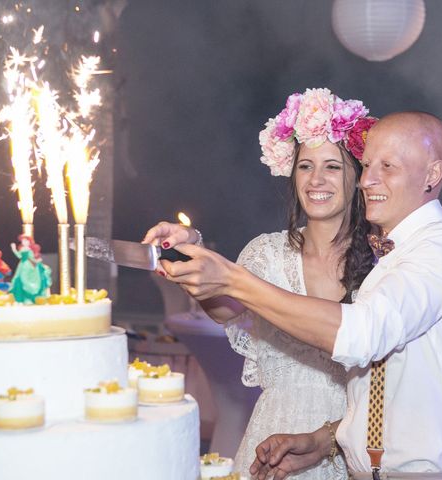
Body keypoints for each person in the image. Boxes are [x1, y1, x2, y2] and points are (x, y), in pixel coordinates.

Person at [154, 111, 442, 480]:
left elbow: (362, 334)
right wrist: (325, 439)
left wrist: (233, 279)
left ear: (431, 175)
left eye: (387, 166)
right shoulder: (394, 257)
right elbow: (390, 387)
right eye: (366, 165)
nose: (368, 179)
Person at [144, 88, 377, 478]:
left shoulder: (379, 261)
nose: (316, 179)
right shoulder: (267, 253)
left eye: (332, 167)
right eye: (305, 166)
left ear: (356, 177)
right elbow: (224, 308)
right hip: (272, 447)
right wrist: (192, 253)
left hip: (349, 446)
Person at [9, 235, 52, 303]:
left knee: (29, 279)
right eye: (23, 241)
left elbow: (32, 258)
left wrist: (37, 261)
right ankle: (22, 297)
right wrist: (14, 249)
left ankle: (31, 296)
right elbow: (19, 256)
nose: (24, 242)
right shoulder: (22, 249)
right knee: (19, 278)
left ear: (29, 241)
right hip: (22, 266)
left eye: (26, 240)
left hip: (28, 265)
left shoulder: (29, 250)